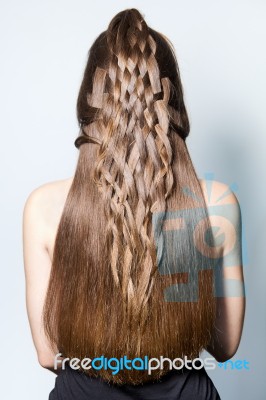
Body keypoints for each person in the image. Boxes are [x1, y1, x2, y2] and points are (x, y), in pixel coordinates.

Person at [22, 8, 245, 400]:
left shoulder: (44, 206)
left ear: (90, 104)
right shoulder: (214, 203)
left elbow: (47, 353)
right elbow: (224, 348)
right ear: (171, 101)